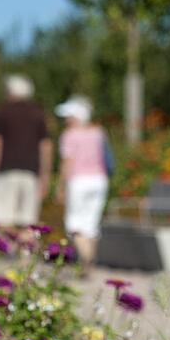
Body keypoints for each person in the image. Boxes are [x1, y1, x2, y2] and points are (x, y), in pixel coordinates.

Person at [0, 75, 52, 226]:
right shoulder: (38, 113)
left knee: (2, 220)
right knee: (28, 223)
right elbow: (46, 146)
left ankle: (5, 250)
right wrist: (45, 175)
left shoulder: (3, 111)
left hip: (6, 171)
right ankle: (26, 249)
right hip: (31, 174)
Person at [55, 95, 109, 266]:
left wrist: (60, 186)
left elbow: (67, 162)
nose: (66, 120)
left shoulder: (69, 135)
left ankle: (86, 257)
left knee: (75, 224)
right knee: (91, 224)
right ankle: (89, 260)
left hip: (79, 180)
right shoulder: (98, 132)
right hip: (99, 180)